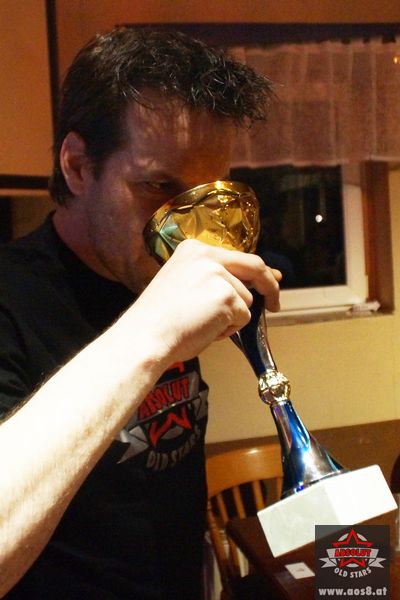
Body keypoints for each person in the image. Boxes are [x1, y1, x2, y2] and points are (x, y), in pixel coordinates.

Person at [0, 27, 281, 599]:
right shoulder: (12, 298)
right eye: (157, 185)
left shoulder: (141, 269)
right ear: (77, 166)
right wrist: (151, 331)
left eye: (207, 194)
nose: (188, 231)